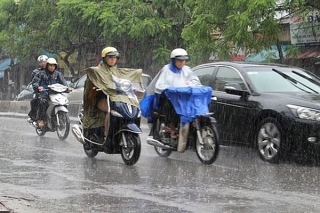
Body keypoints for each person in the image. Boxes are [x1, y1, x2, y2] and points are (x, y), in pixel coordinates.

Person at [82, 46, 143, 143]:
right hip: (102, 99)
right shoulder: (97, 71)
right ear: (104, 58)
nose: (113, 60)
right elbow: (92, 82)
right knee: (110, 111)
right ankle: (106, 135)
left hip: (117, 100)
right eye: (110, 57)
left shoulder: (119, 72)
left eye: (115, 58)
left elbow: (127, 80)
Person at [141, 48, 202, 138]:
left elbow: (195, 81)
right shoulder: (166, 69)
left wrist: (195, 87)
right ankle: (172, 129)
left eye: (184, 60)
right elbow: (159, 85)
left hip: (183, 98)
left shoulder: (187, 70)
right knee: (171, 108)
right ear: (173, 60)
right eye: (179, 60)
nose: (182, 62)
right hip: (167, 99)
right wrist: (170, 89)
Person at [32, 58, 71, 128]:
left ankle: (62, 118)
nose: (52, 67)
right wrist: (38, 87)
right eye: (50, 65)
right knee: (43, 102)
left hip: (55, 93)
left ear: (55, 66)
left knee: (64, 102)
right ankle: (41, 119)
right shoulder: (40, 74)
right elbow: (35, 82)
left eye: (53, 66)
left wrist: (67, 88)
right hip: (44, 93)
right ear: (47, 66)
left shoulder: (58, 74)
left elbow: (64, 83)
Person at [27, 55, 48, 123]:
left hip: (50, 91)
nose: (43, 63)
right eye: (41, 62)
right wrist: (38, 87)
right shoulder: (36, 72)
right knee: (35, 101)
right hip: (40, 92)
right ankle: (33, 117)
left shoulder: (53, 72)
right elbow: (34, 82)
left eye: (44, 62)